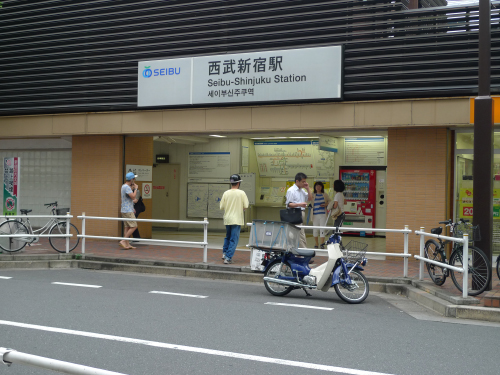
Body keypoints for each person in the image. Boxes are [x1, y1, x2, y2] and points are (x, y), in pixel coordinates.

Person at [220, 174, 249, 264]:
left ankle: (224, 253)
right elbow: (246, 205)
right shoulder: (241, 193)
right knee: (234, 239)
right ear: (238, 183)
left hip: (227, 218)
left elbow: (221, 207)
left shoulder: (226, 193)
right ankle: (228, 257)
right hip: (236, 219)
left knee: (227, 237)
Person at [285, 172, 312, 249]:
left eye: (305, 181)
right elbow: (289, 204)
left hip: (301, 213)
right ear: (297, 181)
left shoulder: (302, 190)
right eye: (303, 181)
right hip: (294, 213)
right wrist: (299, 204)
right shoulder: (291, 190)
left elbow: (309, 198)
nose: (304, 183)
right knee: (300, 233)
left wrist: (307, 188)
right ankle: (304, 253)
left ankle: (295, 252)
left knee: (297, 233)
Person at [120, 171, 139, 249]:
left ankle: (127, 244)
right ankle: (123, 240)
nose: (134, 180)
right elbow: (133, 197)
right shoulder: (127, 187)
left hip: (125, 209)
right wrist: (136, 189)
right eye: (134, 179)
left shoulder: (123, 186)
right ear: (131, 180)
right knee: (134, 226)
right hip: (128, 210)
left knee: (127, 227)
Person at [311, 181, 331, 249]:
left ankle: (322, 244)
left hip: (323, 214)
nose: (318, 187)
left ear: (322, 187)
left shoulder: (325, 194)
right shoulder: (312, 195)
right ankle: (316, 243)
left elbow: (330, 201)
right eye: (316, 186)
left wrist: (326, 204)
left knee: (322, 229)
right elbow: (308, 201)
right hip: (315, 215)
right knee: (315, 230)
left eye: (319, 186)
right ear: (315, 187)